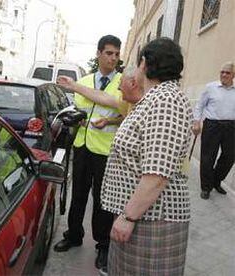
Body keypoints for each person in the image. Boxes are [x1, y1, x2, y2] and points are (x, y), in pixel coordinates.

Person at [100, 37, 193, 275]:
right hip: (143, 216)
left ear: (144, 64)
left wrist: (129, 217)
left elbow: (157, 174)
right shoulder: (156, 98)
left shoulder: (166, 100)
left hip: (152, 220)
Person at [53, 34, 123, 273]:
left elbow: (122, 111)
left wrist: (109, 121)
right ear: (99, 53)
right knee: (78, 194)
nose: (113, 58)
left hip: (105, 150)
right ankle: (73, 235)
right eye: (109, 53)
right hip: (82, 146)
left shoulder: (122, 82)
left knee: (103, 200)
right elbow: (79, 109)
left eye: (116, 54)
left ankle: (103, 245)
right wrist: (75, 120)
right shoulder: (84, 80)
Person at [192, 61, 235, 199]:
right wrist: (196, 122)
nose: (224, 75)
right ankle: (206, 187)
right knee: (207, 157)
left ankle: (216, 180)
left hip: (231, 127)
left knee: (229, 156)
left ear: (233, 75)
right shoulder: (210, 87)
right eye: (222, 72)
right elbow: (199, 105)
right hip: (212, 125)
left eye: (227, 72)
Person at [57, 65, 143, 116]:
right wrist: (73, 85)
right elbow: (104, 97)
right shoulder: (128, 104)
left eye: (121, 82)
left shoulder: (146, 108)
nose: (118, 88)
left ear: (132, 84)